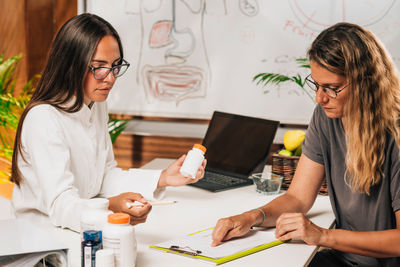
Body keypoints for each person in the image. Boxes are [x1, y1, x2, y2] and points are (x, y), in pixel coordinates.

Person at [211, 22, 400, 266]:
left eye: (332, 88)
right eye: (317, 85)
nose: (320, 98)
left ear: (366, 82)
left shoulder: (394, 133)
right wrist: (251, 217)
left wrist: (323, 235)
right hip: (343, 259)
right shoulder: (326, 117)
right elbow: (298, 198)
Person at [10, 13, 206, 232]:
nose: (111, 78)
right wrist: (111, 209)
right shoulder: (44, 118)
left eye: (115, 66)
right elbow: (61, 205)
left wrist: (163, 178)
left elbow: (104, 177)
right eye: (99, 66)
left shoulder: (95, 103)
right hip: (43, 240)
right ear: (71, 65)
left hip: (81, 229)